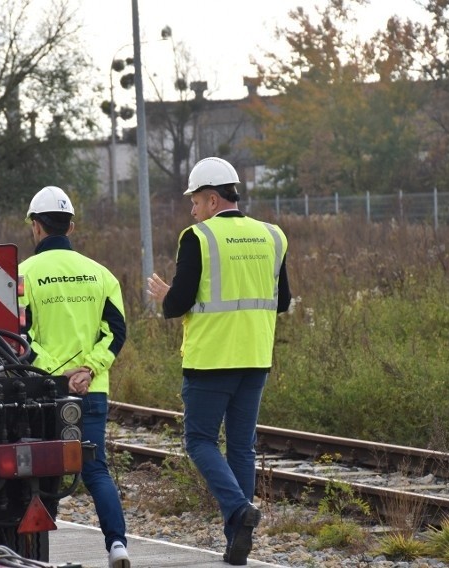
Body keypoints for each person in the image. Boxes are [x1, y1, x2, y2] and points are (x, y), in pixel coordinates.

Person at [146, 157, 291, 566]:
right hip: (256, 356)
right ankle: (236, 542)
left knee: (200, 441)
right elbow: (283, 301)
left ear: (212, 199)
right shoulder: (273, 236)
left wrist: (164, 295)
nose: (192, 210)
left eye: (195, 201)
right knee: (241, 447)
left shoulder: (198, 237)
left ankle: (238, 509)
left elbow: (178, 305)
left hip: (211, 359)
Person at [18, 185, 131, 568]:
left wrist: (56, 372)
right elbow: (116, 331)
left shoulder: (23, 275)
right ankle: (118, 546)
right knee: (95, 468)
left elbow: (20, 335)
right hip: (91, 389)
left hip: (41, 390)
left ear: (36, 227)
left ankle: (38, 555)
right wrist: (88, 369)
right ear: (71, 226)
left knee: (40, 467)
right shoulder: (101, 274)